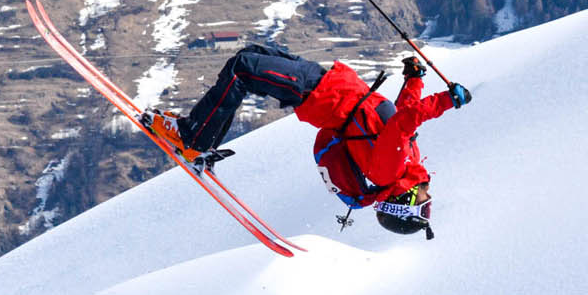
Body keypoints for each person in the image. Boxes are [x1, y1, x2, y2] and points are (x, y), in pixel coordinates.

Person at [142, 44, 471, 237]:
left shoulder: (389, 172)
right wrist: (414, 79)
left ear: (403, 202)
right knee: (249, 55)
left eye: (424, 204)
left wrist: (446, 100)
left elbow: (401, 123)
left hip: (321, 95)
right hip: (330, 85)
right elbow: (401, 114)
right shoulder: (405, 164)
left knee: (242, 70)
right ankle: (202, 133)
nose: (429, 197)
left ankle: (193, 138)